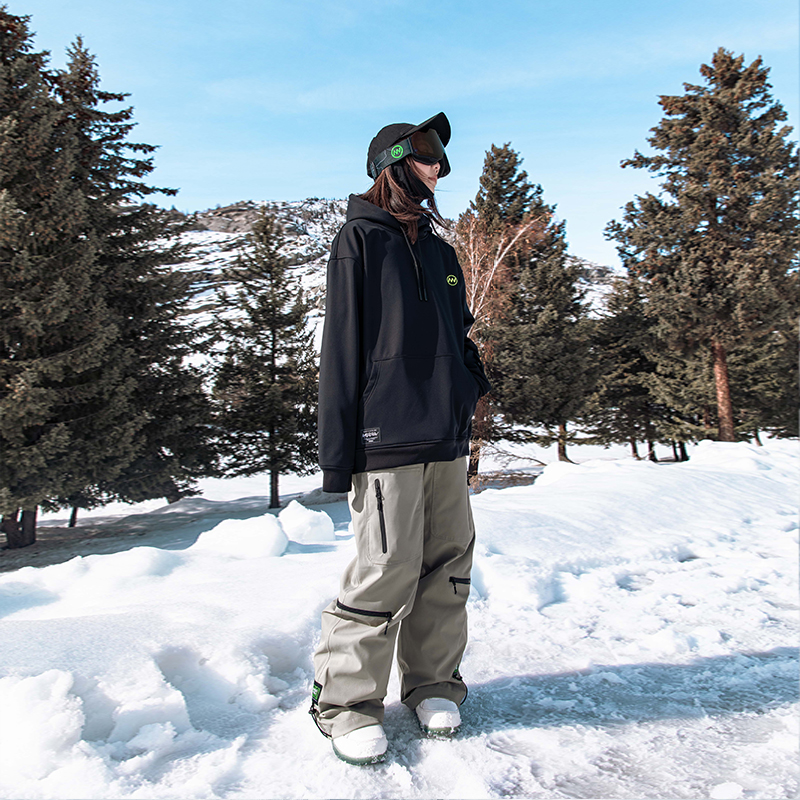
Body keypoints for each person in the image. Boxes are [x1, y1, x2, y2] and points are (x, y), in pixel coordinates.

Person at [310, 112, 491, 765]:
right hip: (383, 438)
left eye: (442, 156)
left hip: (443, 436)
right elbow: (342, 352)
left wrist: (469, 383)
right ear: (392, 162)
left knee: (447, 566)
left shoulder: (442, 254)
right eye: (426, 155)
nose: (438, 167)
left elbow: (458, 335)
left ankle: (433, 684)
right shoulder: (359, 241)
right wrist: (338, 457)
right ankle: (347, 704)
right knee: (384, 570)